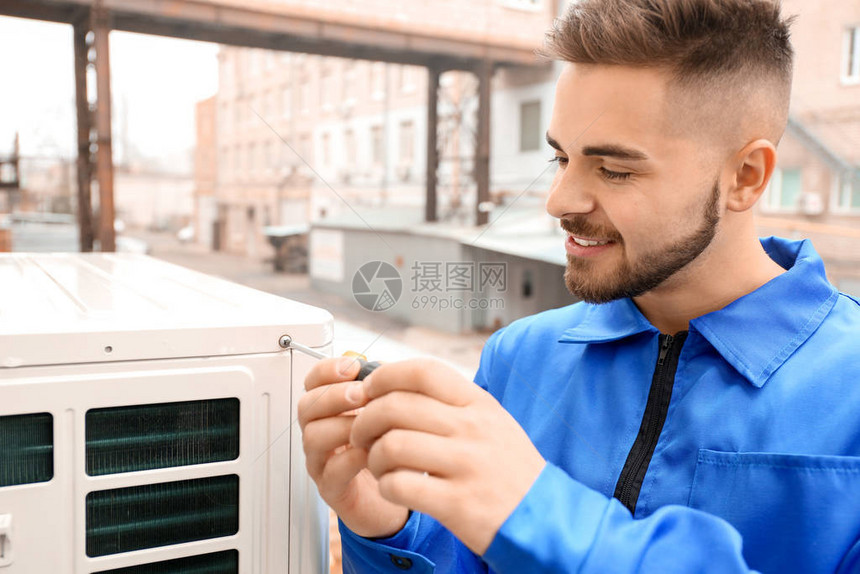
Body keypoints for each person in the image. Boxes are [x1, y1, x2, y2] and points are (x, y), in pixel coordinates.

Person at [298, 0, 860, 572]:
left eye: (614, 169)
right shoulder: (520, 357)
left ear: (745, 177)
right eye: (561, 157)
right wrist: (392, 531)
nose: (558, 200)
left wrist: (534, 510)